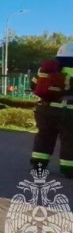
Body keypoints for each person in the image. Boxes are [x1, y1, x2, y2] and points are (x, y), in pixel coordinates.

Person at [31, 42, 73, 177]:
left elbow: (33, 85)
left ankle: (38, 165)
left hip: (44, 110)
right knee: (69, 140)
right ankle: (69, 169)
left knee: (44, 137)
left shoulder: (45, 70)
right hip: (68, 111)